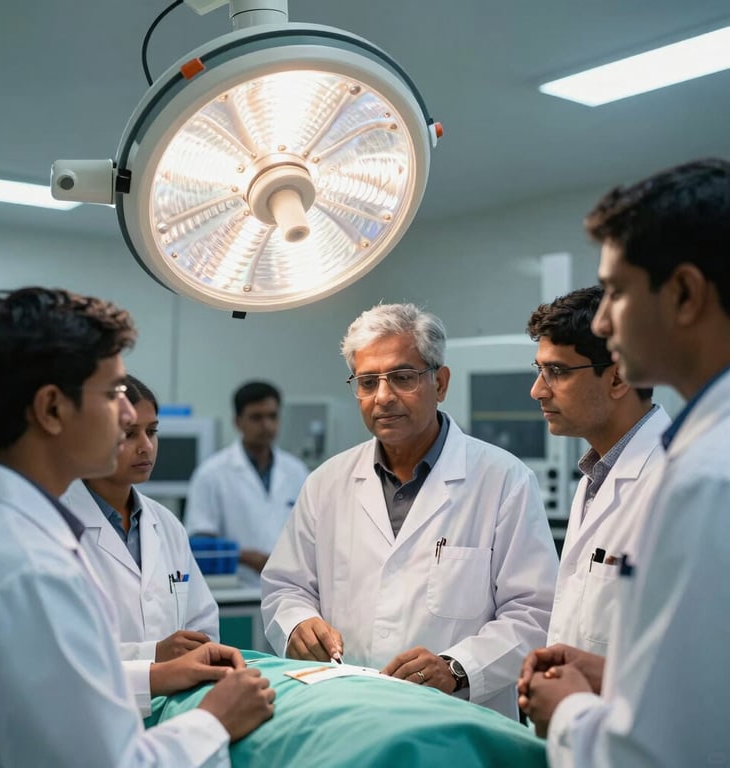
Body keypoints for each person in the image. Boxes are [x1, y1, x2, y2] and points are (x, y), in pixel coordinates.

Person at [0, 287, 274, 767]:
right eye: (113, 396)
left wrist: (158, 673)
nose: (130, 416)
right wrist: (215, 719)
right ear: (51, 409)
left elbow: (61, 694)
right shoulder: (31, 570)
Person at [518, 157, 730, 765]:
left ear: (685, 293)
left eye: (616, 291)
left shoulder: (704, 477)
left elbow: (657, 752)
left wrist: (569, 713)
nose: (607, 322)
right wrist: (613, 675)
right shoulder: (676, 463)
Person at [261, 302, 558, 719]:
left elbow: (535, 613)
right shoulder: (326, 483)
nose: (383, 397)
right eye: (367, 382)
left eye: (402, 377)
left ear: (441, 383)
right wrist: (296, 623)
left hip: (457, 723)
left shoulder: (504, 481)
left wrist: (456, 668)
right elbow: (284, 588)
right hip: (349, 716)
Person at [526, 285, 670, 653]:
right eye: (539, 370)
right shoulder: (595, 477)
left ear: (618, 378)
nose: (537, 390)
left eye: (556, 371)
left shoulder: (674, 482)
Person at [62, 375, 221, 663]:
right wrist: (154, 656)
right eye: (129, 433)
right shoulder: (58, 524)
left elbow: (202, 622)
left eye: (152, 431)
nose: (146, 446)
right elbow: (64, 652)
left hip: (177, 702)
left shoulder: (166, 524)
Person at [185, 381, 309, 586]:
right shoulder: (211, 474)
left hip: (291, 589)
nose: (266, 425)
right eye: (256, 417)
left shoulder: (297, 471)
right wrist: (246, 557)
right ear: (238, 422)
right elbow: (201, 544)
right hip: (237, 588)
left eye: (272, 416)